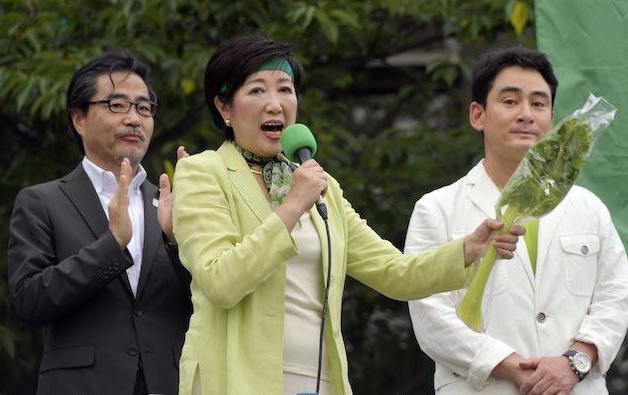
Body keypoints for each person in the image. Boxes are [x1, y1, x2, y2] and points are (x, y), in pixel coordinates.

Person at [172, 33, 524, 395]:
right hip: (234, 379)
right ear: (225, 108)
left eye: (285, 89)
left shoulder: (321, 186)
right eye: (257, 91)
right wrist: (292, 207)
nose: (275, 104)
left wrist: (467, 250)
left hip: (319, 379)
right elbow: (219, 281)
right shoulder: (203, 172)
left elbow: (395, 273)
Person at [406, 46, 628, 395]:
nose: (526, 114)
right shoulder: (436, 208)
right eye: (510, 102)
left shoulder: (589, 208)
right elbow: (430, 314)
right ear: (478, 115)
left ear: (552, 118)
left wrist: (574, 362)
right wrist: (512, 367)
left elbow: (616, 297)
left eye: (538, 104)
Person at [8, 50, 192, 395]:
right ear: (79, 118)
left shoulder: (170, 203)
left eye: (143, 107)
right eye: (117, 105)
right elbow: (28, 301)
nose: (134, 119)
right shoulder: (42, 201)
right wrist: (111, 245)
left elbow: (205, 299)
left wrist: (175, 243)